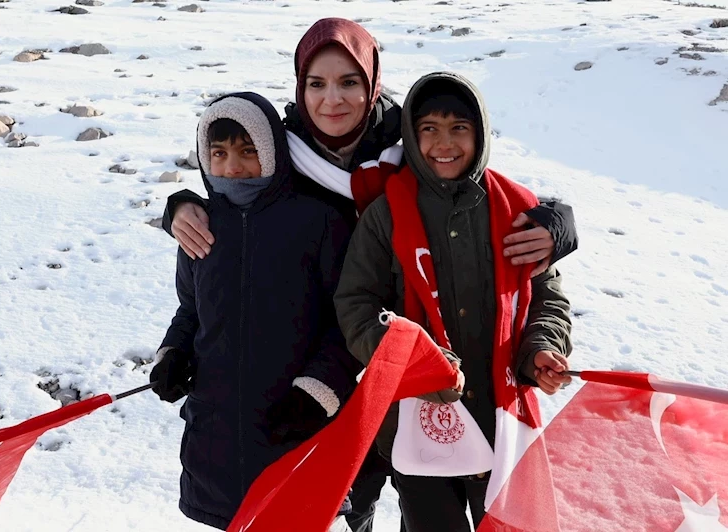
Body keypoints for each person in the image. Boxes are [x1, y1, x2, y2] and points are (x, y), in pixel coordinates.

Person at [159, 18, 579, 532]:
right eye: (316, 83)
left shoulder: (411, 144)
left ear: (372, 81)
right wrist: (180, 206)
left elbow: (478, 194)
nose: (332, 99)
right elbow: (233, 184)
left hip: (415, 365)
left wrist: (556, 222)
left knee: (408, 492)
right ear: (300, 87)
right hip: (317, 363)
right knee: (348, 501)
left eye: (349, 81)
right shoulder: (283, 153)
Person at [333, 71, 574, 532]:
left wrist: (540, 347)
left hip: (502, 419)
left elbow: (545, 294)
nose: (444, 143)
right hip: (416, 424)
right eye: (429, 129)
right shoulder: (388, 214)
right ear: (412, 135)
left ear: (480, 134)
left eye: (459, 128)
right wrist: (414, 362)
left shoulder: (517, 212)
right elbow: (357, 306)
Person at [150, 92, 360, 532]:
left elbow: (346, 323)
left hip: (296, 426)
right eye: (219, 153)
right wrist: (172, 353)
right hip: (217, 437)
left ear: (273, 152)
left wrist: (316, 393)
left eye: (248, 152)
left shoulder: (318, 221)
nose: (232, 167)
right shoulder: (200, 224)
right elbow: (191, 308)